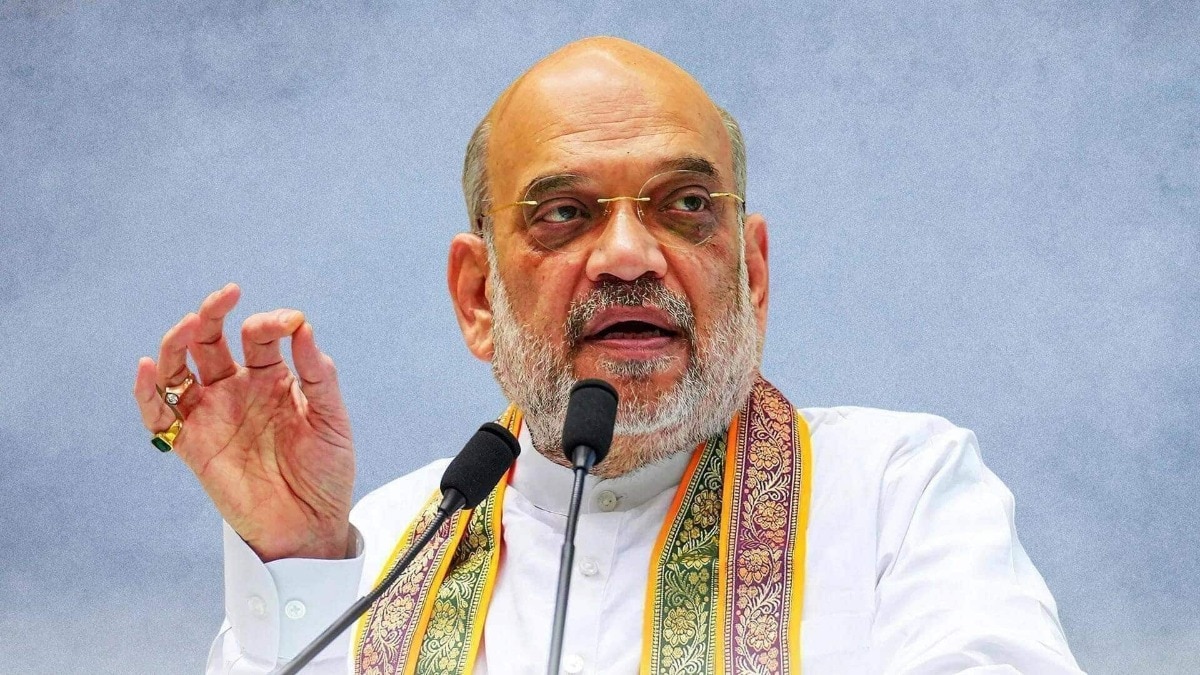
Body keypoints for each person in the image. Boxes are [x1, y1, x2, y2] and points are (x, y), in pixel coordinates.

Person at [134, 37, 1083, 674]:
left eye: (685, 205)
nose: (629, 255)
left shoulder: (901, 493)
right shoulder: (379, 543)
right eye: (564, 213)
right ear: (478, 297)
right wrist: (298, 561)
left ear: (751, 273)